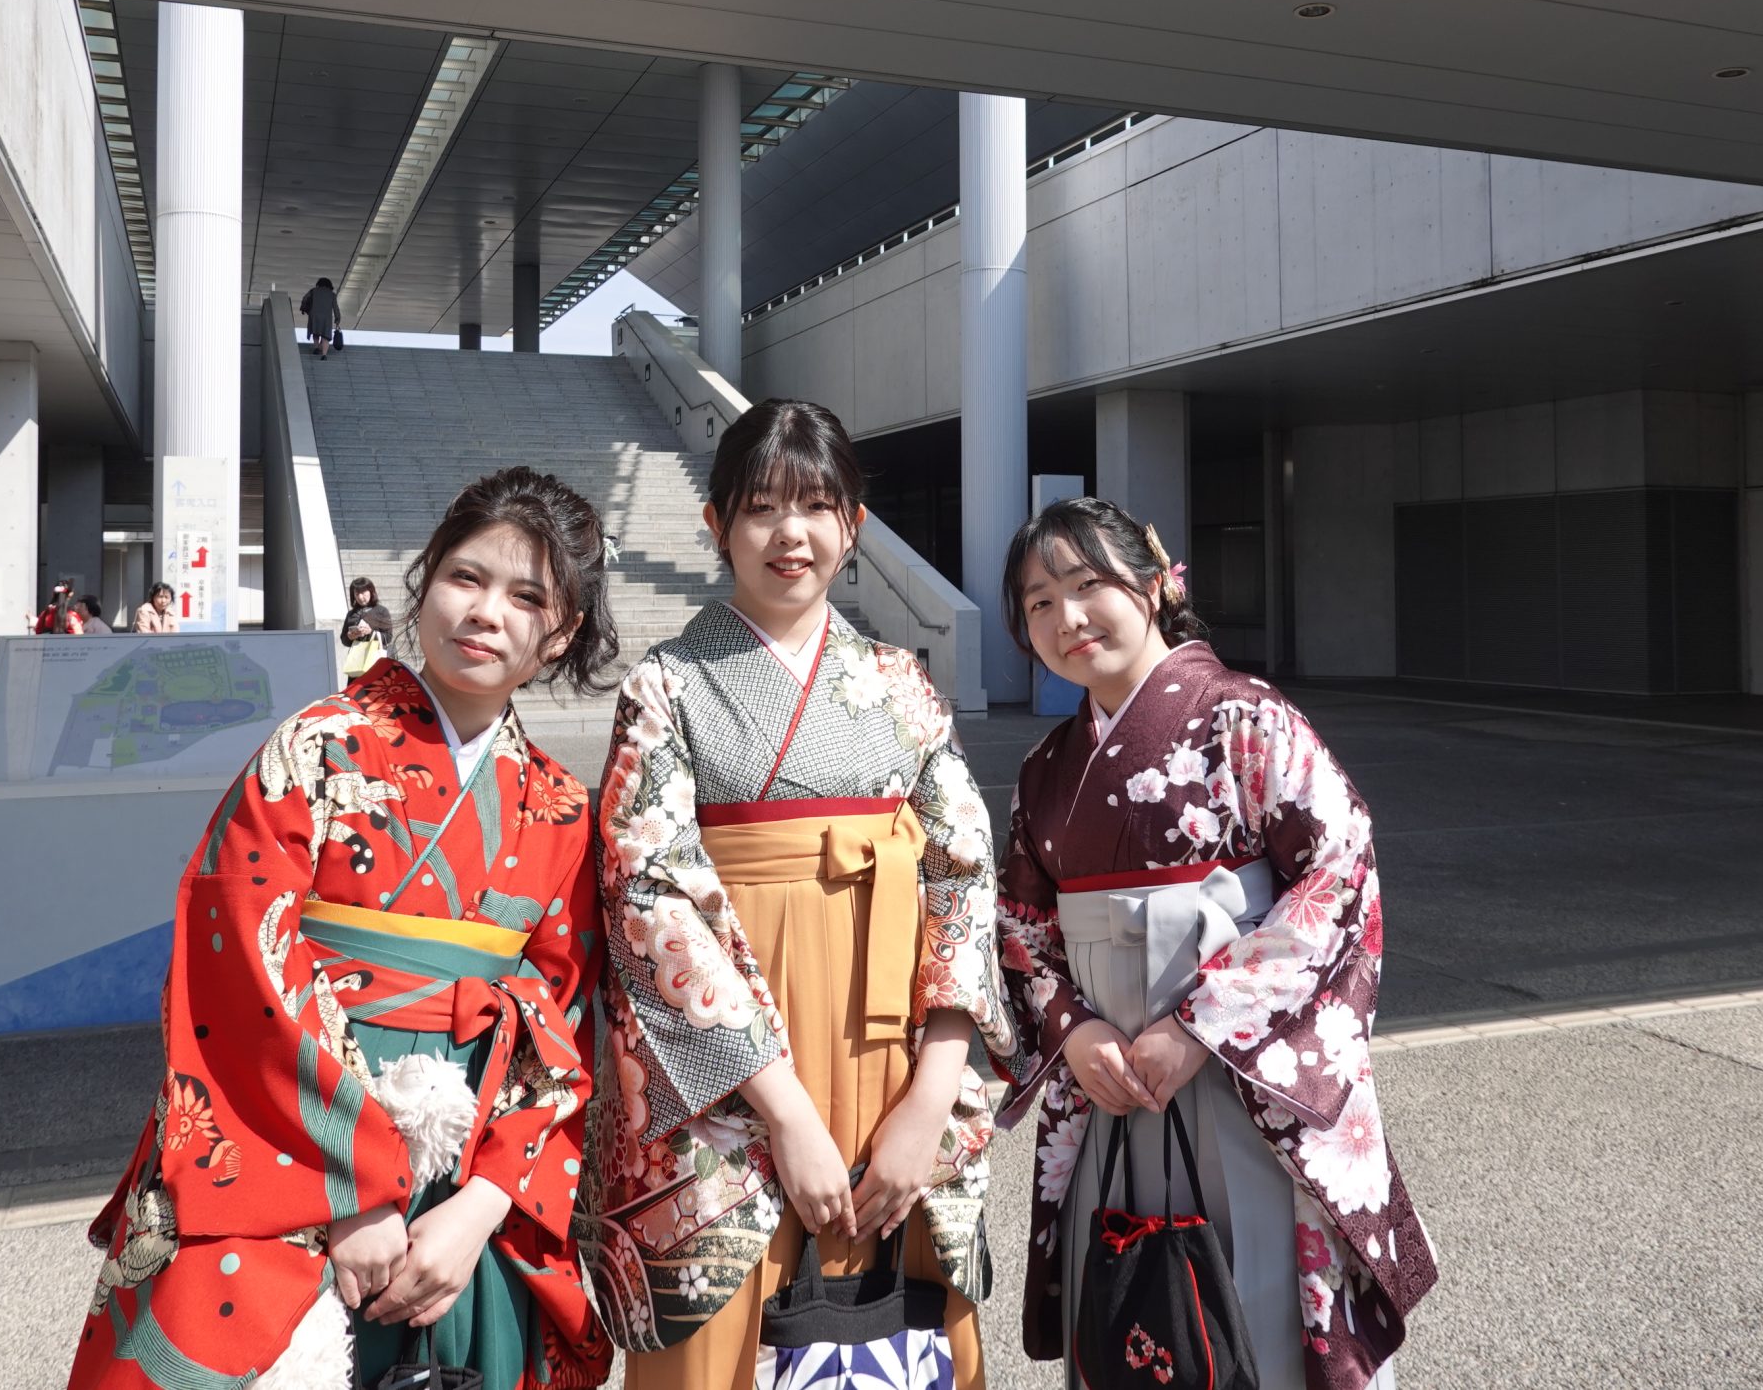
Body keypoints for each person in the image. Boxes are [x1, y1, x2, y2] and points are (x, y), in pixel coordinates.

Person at [67, 468, 619, 1390]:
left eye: (527, 597)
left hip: (465, 1176)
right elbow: (239, 960)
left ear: (560, 633)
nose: (486, 612)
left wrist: (482, 1206)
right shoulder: (317, 746)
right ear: (426, 581)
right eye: (466, 576)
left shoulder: (559, 806)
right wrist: (350, 1190)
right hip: (294, 1143)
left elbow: (561, 1020)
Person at [580, 398, 1014, 1390]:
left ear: (851, 527)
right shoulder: (667, 686)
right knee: (718, 1345)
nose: (791, 533)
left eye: (817, 506)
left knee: (898, 1322)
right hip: (729, 1080)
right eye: (761, 507)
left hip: (891, 1061)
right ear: (717, 524)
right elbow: (648, 894)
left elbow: (963, 879)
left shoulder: (901, 684)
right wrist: (783, 1114)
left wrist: (929, 1101)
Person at [993, 499, 1436, 1390]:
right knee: (1126, 1301)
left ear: (1156, 583)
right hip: (1110, 1081)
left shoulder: (1246, 719)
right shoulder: (1044, 770)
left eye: (1087, 584)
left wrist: (1199, 1025)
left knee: (1262, 1307)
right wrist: (1073, 1032)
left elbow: (1338, 869)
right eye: (1039, 602)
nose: (1067, 617)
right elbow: (1020, 926)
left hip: (1241, 1075)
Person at [341, 575, 392, 677]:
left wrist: (371, 633)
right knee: (357, 687)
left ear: (371, 592)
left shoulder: (381, 611)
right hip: (357, 662)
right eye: (357, 594)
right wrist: (350, 636)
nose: (360, 597)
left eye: (363, 592)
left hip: (375, 660)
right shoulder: (351, 614)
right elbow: (344, 639)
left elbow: (388, 637)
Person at [302, 276, 342, 360]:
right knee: (325, 336)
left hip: (314, 315)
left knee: (315, 332)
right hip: (326, 318)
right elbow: (335, 308)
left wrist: (305, 309)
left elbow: (305, 299)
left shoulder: (313, 291)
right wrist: (337, 318)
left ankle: (316, 347)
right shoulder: (332, 294)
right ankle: (324, 355)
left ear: (319, 284)